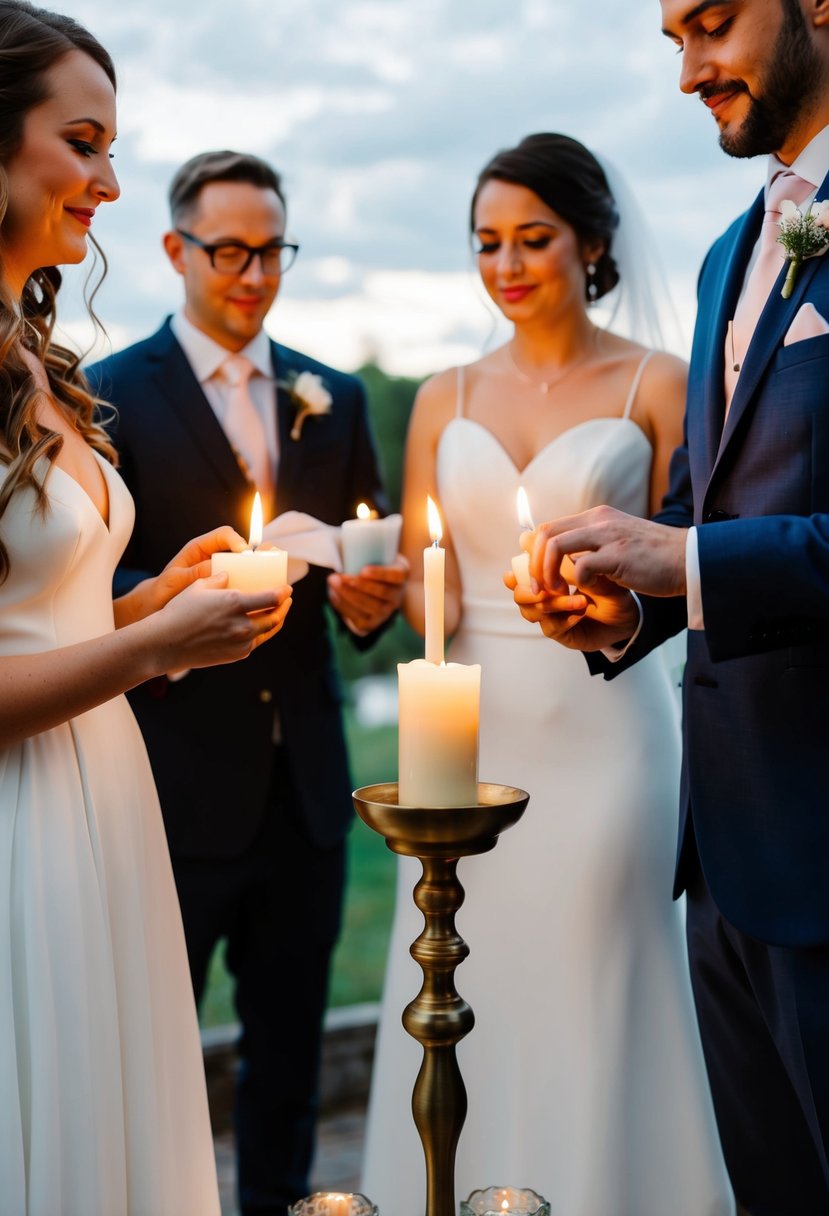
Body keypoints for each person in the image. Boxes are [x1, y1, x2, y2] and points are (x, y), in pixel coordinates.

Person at [362, 133, 732, 1216]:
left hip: (608, 726)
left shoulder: (659, 383)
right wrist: (385, 594)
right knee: (464, 971)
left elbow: (680, 563)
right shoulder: (445, 396)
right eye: (486, 242)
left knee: (595, 969)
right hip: (463, 728)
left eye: (533, 238)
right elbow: (432, 583)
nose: (507, 264)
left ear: (592, 242)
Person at [514, 2, 829, 1211]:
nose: (690, 69)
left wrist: (681, 569)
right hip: (727, 857)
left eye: (712, 23)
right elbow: (697, 508)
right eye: (671, 40)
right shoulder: (722, 255)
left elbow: (695, 549)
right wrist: (625, 612)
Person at [0, 5, 293, 1215]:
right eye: (84, 143)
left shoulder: (28, 345)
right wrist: (152, 650)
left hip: (104, 805)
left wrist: (148, 604)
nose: (110, 185)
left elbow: (44, 608)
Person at [86, 149, 406, 1216]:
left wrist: (373, 601)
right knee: (152, 1055)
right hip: (172, 781)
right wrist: (173, 604)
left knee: (291, 1069)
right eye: (229, 250)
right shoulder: (106, 394)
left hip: (309, 790)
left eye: (272, 251)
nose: (254, 273)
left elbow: (361, 562)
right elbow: (85, 579)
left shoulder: (339, 396)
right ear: (176, 249)